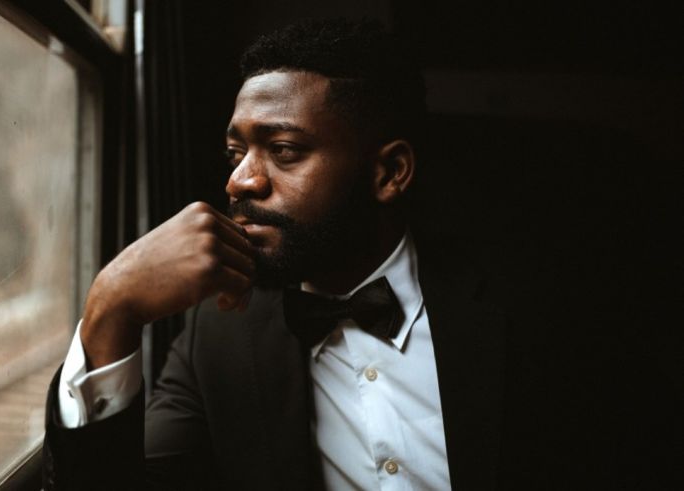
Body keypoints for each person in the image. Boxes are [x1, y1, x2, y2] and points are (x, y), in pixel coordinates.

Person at [41, 19, 622, 490]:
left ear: (390, 172)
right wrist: (110, 309)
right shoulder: (216, 334)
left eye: (284, 150)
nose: (240, 181)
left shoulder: (535, 308)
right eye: (236, 153)